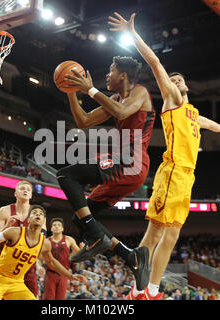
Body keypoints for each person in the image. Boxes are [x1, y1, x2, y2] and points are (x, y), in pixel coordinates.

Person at [108, 12, 220, 300]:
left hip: (187, 178)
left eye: (178, 80)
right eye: (171, 80)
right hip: (173, 171)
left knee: (172, 235)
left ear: (186, 85)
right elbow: (154, 62)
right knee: (154, 233)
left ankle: (152, 290)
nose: (174, 82)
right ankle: (137, 288)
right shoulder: (173, 101)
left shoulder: (193, 113)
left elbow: (209, 124)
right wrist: (133, 33)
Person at [58, 54, 157, 290]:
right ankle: (131, 256)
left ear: (122, 75)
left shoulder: (140, 92)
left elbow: (123, 113)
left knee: (66, 175)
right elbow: (83, 121)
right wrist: (72, 92)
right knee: (81, 216)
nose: (106, 75)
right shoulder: (114, 99)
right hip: (127, 167)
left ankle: (96, 236)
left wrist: (90, 89)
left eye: (110, 71)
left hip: (131, 161)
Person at [0, 205, 86, 300]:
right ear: (28, 219)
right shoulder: (15, 232)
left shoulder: (45, 243)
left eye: (41, 214)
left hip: (17, 283)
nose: (38, 215)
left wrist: (71, 276)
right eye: (34, 213)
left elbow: (52, 263)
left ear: (44, 221)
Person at [0, 180, 45, 298]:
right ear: (15, 193)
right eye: (22, 188)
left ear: (31, 195)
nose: (25, 191)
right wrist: (6, 227)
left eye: (28, 190)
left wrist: (39, 265)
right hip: (6, 264)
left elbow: (39, 245)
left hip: (27, 266)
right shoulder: (5, 211)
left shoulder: (38, 215)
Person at [43, 217, 80, 300]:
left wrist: (85, 250)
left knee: (61, 298)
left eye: (59, 225)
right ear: (51, 229)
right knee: (49, 298)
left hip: (64, 273)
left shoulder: (69, 239)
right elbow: (40, 257)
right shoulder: (47, 241)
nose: (56, 226)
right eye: (54, 225)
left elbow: (78, 253)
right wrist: (39, 267)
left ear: (62, 228)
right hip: (50, 273)